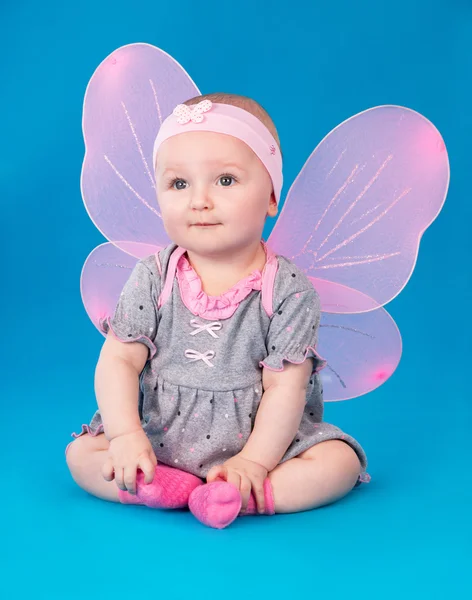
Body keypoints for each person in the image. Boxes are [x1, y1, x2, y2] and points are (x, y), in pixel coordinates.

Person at [66, 93, 369, 529]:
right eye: (178, 184)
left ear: (270, 197)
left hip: (259, 441)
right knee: (81, 454)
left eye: (225, 181)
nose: (199, 200)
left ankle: (244, 494)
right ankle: (153, 481)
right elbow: (118, 359)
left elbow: (286, 389)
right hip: (158, 434)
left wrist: (255, 462)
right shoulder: (154, 276)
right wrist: (127, 436)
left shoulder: (287, 290)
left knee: (338, 463)